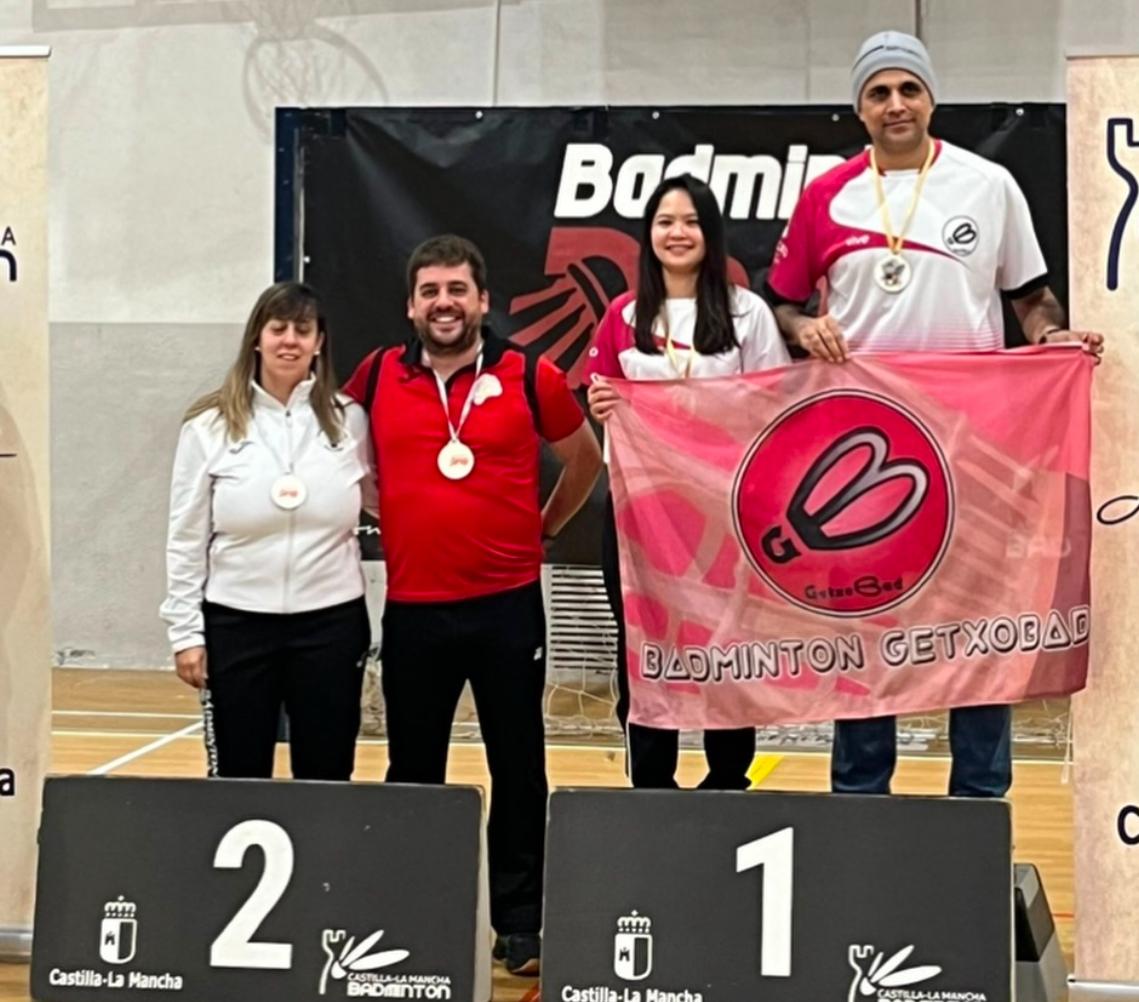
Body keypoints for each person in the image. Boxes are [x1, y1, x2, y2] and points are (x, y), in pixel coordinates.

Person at [765, 30, 1105, 798]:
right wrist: (802, 328)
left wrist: (1050, 338)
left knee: (977, 624)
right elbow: (780, 304)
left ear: (930, 99)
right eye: (878, 92)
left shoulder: (988, 185)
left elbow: (1030, 298)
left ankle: (978, 805)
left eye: (907, 89)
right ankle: (860, 804)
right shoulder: (825, 195)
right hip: (862, 449)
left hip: (971, 444)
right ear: (858, 109)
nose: (895, 105)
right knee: (865, 625)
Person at [342, 234, 602, 976]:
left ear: (483, 300)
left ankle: (520, 924)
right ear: (410, 306)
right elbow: (343, 460)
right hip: (415, 608)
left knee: (517, 764)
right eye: (430, 291)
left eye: (457, 289)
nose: (444, 303)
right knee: (412, 767)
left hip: (506, 607)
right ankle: (417, 912)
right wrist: (391, 509)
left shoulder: (529, 375)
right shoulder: (377, 375)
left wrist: (542, 527)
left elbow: (585, 458)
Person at [584, 174, 791, 790]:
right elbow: (601, 399)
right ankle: (651, 783)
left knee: (728, 641)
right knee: (644, 640)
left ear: (711, 233)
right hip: (640, 515)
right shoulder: (623, 315)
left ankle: (728, 777)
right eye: (665, 222)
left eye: (691, 221)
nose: (677, 233)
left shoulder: (747, 312)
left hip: (724, 514)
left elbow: (775, 404)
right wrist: (603, 406)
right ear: (648, 234)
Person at [161, 281, 375, 781]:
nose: (290, 341)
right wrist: (186, 633)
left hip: (331, 625)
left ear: (319, 342)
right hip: (237, 625)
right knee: (240, 776)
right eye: (278, 328)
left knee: (327, 774)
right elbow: (186, 538)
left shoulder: (350, 421)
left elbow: (384, 501)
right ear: (257, 338)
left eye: (303, 330)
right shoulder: (208, 426)